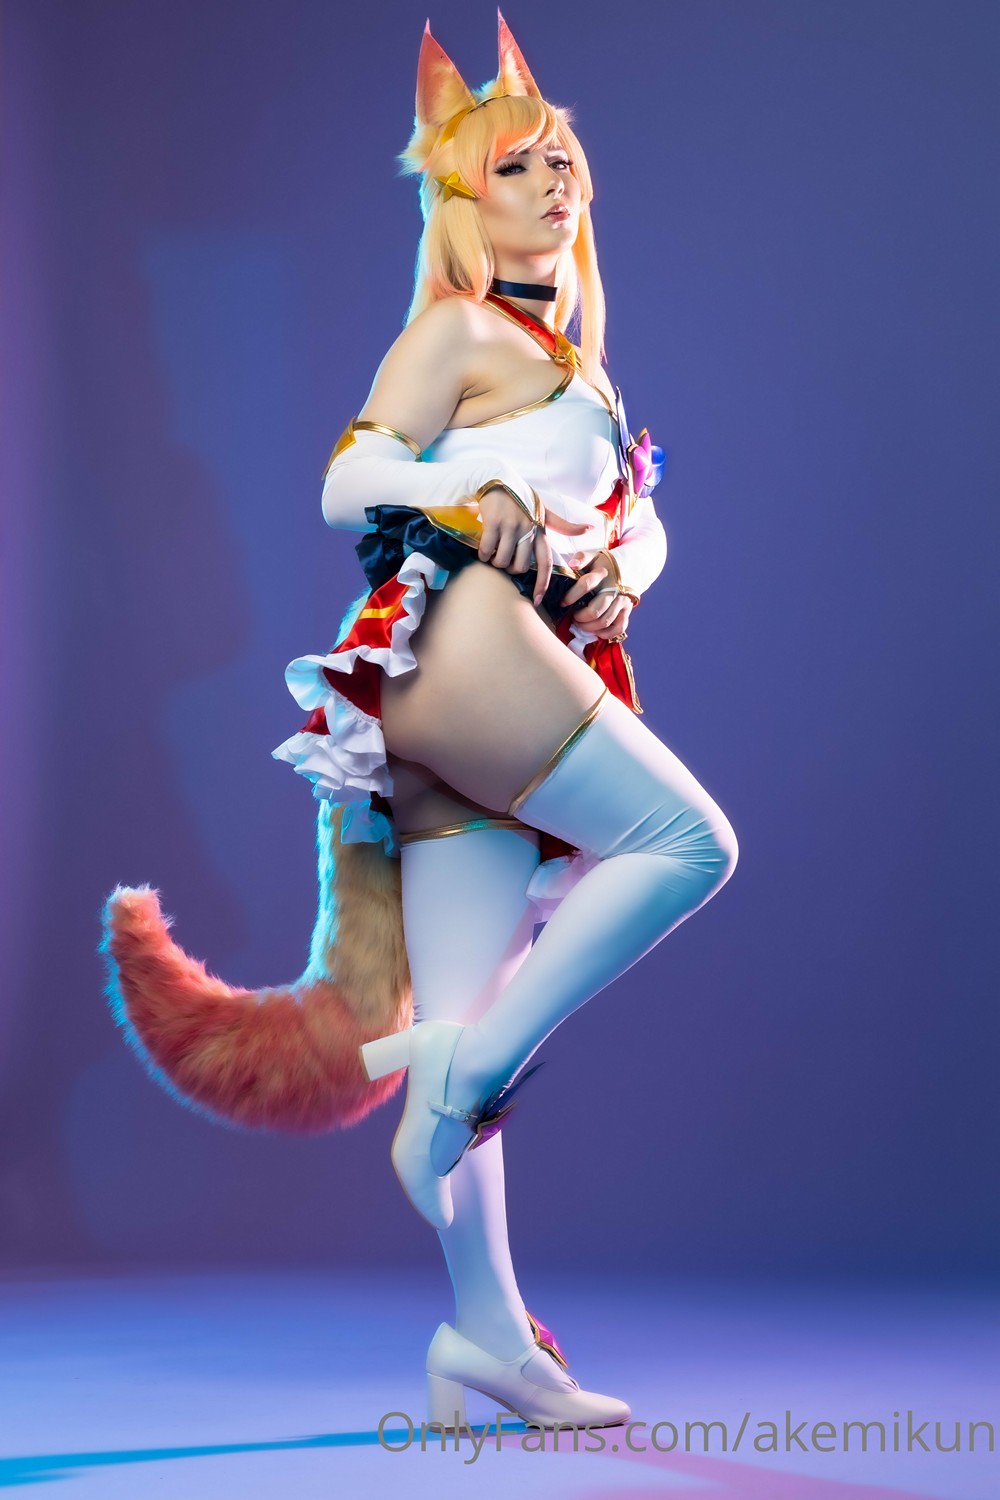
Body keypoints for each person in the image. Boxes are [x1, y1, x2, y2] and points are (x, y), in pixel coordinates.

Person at [268, 12, 740, 1431]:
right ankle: (459, 1081)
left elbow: (632, 521)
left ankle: (484, 1337)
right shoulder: (461, 328)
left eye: (565, 161)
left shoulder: (575, 361)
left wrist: (625, 565)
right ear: (465, 200)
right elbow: (349, 482)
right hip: (464, 644)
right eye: (521, 167)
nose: (555, 182)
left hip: (492, 679)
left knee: (466, 1001)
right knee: (688, 845)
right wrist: (470, 501)